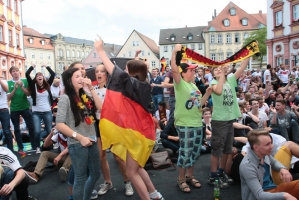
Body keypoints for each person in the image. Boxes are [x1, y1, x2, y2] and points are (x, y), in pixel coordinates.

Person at [95, 36, 164, 200]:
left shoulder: (133, 85)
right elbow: (131, 73)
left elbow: (116, 72)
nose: (124, 71)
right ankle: (154, 194)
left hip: (137, 135)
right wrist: (136, 57)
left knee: (131, 172)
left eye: (127, 69)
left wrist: (100, 50)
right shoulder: (143, 85)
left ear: (131, 74)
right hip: (143, 133)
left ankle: (149, 198)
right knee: (138, 168)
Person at [56, 66, 102, 200]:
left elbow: (100, 107)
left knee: (95, 174)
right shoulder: (65, 98)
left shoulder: (85, 95)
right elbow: (59, 124)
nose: (81, 78)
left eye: (81, 76)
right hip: (77, 144)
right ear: (69, 81)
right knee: (81, 178)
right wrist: (80, 137)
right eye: (77, 76)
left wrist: (92, 88)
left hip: (92, 140)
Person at [171, 44, 212, 193]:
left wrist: (206, 94)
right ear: (183, 73)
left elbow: (199, 106)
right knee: (185, 152)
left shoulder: (194, 86)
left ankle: (190, 176)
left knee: (194, 152)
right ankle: (181, 179)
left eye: (194, 69)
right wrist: (175, 52)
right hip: (185, 124)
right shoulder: (180, 84)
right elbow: (174, 68)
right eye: (191, 70)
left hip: (196, 123)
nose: (194, 71)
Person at [92, 64, 134, 197]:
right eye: (97, 72)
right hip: (98, 124)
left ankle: (127, 181)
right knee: (101, 156)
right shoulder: (91, 89)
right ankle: (108, 182)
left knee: (118, 157)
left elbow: (104, 107)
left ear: (107, 74)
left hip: (112, 124)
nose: (99, 74)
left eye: (102, 72)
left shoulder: (112, 89)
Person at [208, 57, 250, 188]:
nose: (219, 70)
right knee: (217, 149)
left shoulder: (230, 80)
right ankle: (213, 176)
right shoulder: (213, 83)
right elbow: (219, 91)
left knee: (227, 149)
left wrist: (247, 54)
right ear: (213, 73)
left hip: (229, 119)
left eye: (221, 68)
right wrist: (222, 75)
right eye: (216, 70)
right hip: (219, 120)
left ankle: (221, 172)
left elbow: (242, 67)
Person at [239, 129, 299, 200]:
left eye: (271, 143)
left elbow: (274, 163)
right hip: (262, 195)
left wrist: (282, 168)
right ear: (256, 147)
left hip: (273, 189)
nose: (272, 146)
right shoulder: (247, 166)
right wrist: (285, 195)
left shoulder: (264, 154)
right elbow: (259, 195)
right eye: (267, 144)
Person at [25, 63, 56, 154]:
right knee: (37, 131)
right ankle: (38, 147)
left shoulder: (47, 85)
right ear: (36, 78)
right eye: (37, 75)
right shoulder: (33, 85)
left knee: (49, 130)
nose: (39, 76)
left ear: (43, 78)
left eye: (41, 75)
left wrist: (46, 66)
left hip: (47, 111)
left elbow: (53, 74)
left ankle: (50, 144)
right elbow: (27, 74)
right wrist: (32, 67)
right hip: (36, 112)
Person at [7, 66, 34, 155]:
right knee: (17, 129)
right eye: (13, 71)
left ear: (19, 72)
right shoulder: (8, 82)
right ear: (11, 73)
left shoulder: (25, 81)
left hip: (25, 107)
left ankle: (34, 145)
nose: (15, 72)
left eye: (17, 71)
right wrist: (14, 88)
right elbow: (8, 98)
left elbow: (28, 93)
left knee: (31, 126)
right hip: (14, 108)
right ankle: (20, 147)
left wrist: (21, 87)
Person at [0, 77, 13, 152]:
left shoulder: (3, 81)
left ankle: (10, 150)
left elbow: (7, 90)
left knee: (6, 131)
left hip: (3, 109)